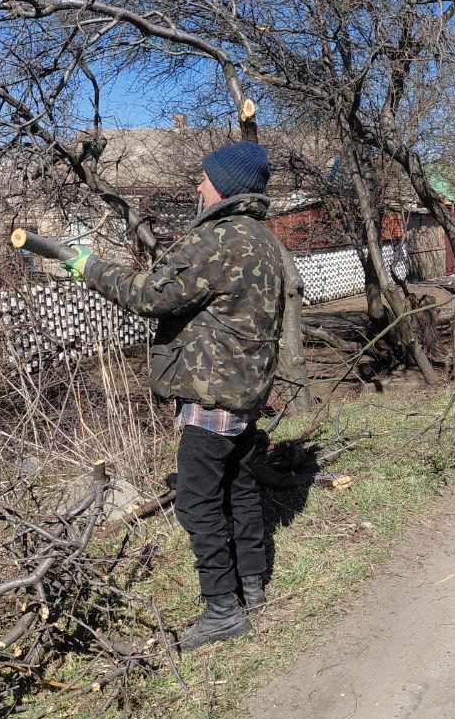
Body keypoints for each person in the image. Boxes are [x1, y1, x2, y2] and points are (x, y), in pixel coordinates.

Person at [60, 141, 286, 648]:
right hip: (247, 390)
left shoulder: (218, 239)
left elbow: (148, 294)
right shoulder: (265, 240)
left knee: (197, 501)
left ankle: (223, 610)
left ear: (224, 186)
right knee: (240, 489)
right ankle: (253, 588)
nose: (198, 186)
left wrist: (88, 267)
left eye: (205, 179)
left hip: (212, 391)